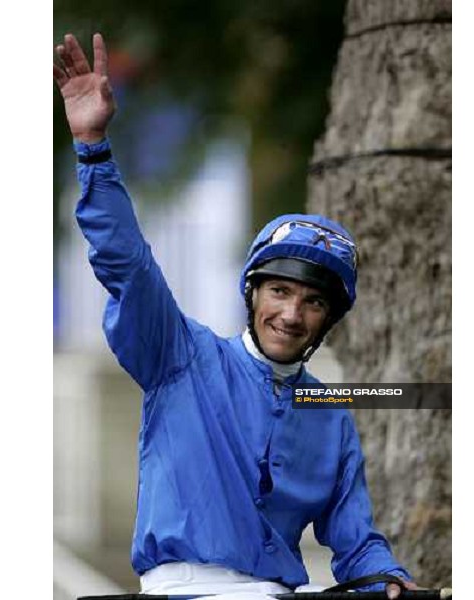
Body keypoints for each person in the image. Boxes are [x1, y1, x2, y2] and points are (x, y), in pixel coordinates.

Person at [54, 33, 419, 600]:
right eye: (278, 290)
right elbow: (127, 264)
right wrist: (93, 146)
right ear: (252, 294)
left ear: (329, 320)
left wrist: (390, 578)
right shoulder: (182, 355)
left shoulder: (330, 414)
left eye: (314, 302)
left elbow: (357, 543)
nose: (291, 314)